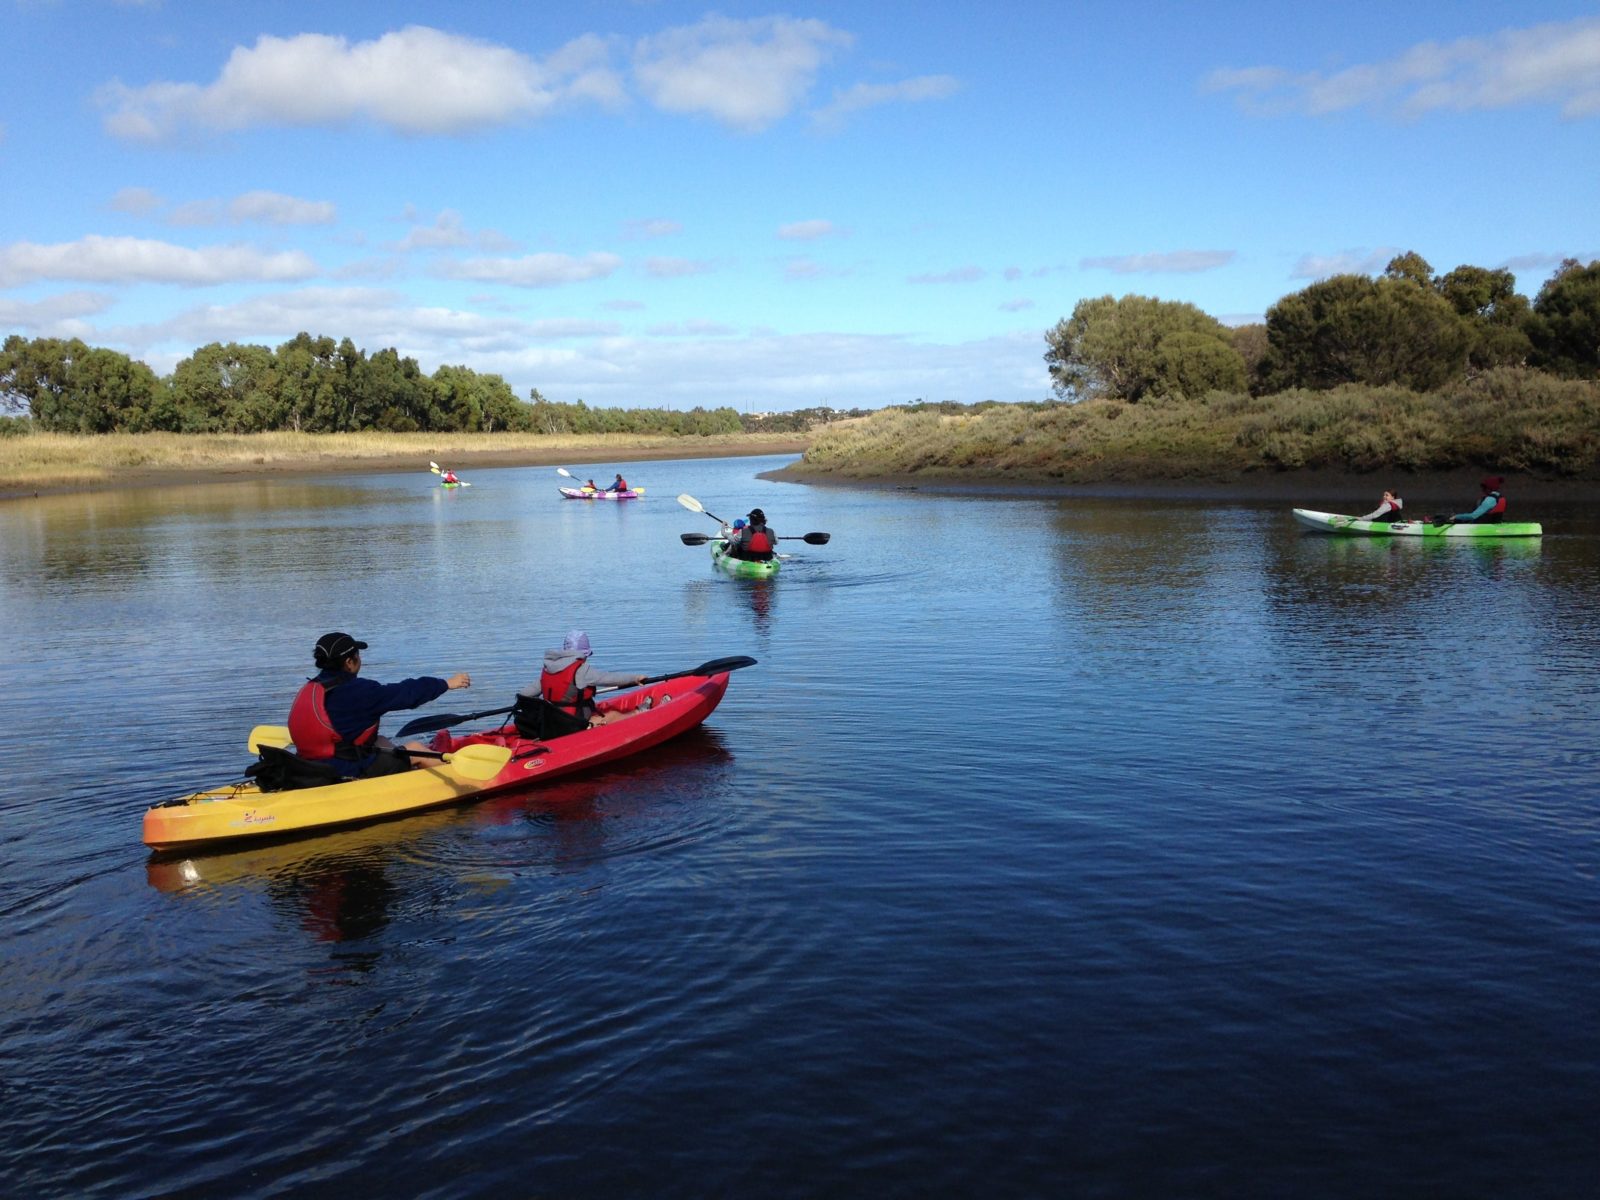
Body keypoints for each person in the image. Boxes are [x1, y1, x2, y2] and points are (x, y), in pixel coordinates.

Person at [287, 632, 470, 777]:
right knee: (415, 749)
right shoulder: (360, 691)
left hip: (310, 763)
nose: (360, 660)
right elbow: (407, 693)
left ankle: (403, 773)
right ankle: (462, 780)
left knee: (379, 740)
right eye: (357, 656)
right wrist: (446, 683)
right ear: (349, 662)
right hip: (343, 769)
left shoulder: (311, 688)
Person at [523, 630, 647, 728]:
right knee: (613, 715)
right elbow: (609, 678)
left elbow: (525, 694)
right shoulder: (580, 670)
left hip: (552, 721)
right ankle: (639, 713)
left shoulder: (548, 669)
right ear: (583, 654)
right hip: (573, 723)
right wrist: (635, 678)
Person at [1439, 476, 1508, 525]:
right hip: (1494, 523)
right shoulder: (1499, 497)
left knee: (1456, 518)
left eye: (1484, 487)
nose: (1482, 490)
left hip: (1482, 526)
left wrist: (1456, 516)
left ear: (1489, 488)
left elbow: (1473, 516)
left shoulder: (1489, 500)